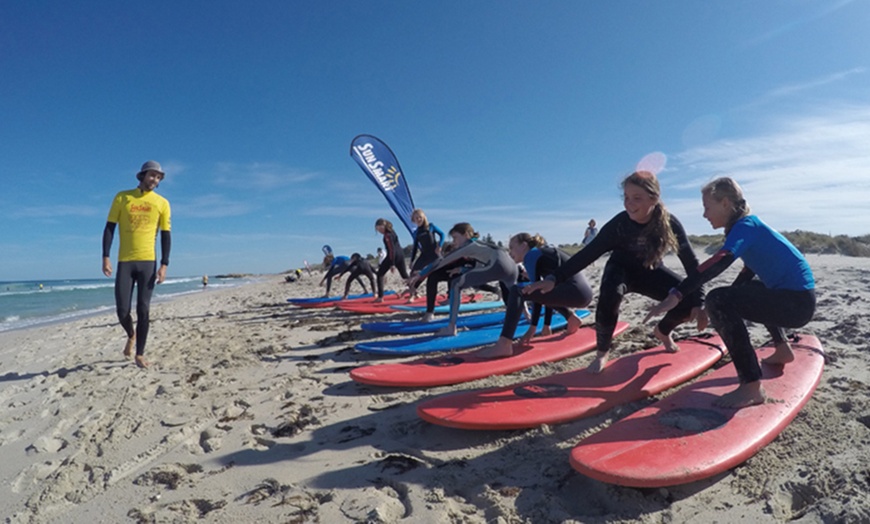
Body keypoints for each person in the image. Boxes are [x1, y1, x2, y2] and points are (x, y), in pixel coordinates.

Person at [644, 177, 815, 408]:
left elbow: (719, 262)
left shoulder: (746, 226)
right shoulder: (749, 227)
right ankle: (783, 349)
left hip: (795, 303)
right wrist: (710, 308)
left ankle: (751, 387)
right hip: (799, 301)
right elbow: (748, 274)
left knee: (718, 298)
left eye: (707, 207)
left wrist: (677, 295)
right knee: (738, 294)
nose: (705, 214)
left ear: (725, 203)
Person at [525, 171, 706, 373]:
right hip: (620, 270)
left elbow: (692, 263)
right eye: (626, 198)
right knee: (610, 296)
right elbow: (588, 254)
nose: (629, 203)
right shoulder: (619, 225)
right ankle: (602, 353)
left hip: (652, 272)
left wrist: (699, 301)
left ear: (654, 198)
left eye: (637, 198)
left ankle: (663, 331)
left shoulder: (669, 224)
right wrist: (554, 278)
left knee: (689, 301)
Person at [477, 233, 594, 358]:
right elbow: (545, 293)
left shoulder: (531, 255)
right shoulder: (540, 253)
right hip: (582, 293)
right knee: (529, 289)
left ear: (523, 246)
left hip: (574, 292)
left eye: (511, 247)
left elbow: (536, 294)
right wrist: (545, 325)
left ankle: (504, 344)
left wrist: (533, 328)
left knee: (517, 291)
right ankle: (571, 319)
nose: (509, 252)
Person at [102, 160, 172, 368]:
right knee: (122, 310)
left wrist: (164, 264)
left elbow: (166, 236)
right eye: (152, 175)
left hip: (148, 263)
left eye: (158, 177)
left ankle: (139, 354)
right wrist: (105, 256)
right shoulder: (123, 197)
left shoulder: (162, 203)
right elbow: (109, 228)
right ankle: (131, 335)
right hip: (125, 262)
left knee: (144, 309)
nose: (155, 180)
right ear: (142, 176)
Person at [409, 223, 518, 336]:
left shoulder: (468, 246)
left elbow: (443, 261)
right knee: (514, 291)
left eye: (455, 237)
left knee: (456, 284)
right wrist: (463, 270)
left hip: (498, 264)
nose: (454, 241)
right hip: (511, 266)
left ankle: (451, 328)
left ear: (466, 235)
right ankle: (527, 316)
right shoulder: (480, 243)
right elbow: (480, 265)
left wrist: (421, 274)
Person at [374, 218, 410, 301]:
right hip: (401, 254)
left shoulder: (387, 235)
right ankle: (415, 292)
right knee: (404, 275)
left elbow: (391, 249)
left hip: (393, 256)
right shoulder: (392, 232)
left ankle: (380, 297)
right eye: (377, 229)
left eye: (379, 228)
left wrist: (392, 264)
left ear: (383, 226)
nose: (379, 231)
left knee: (380, 274)